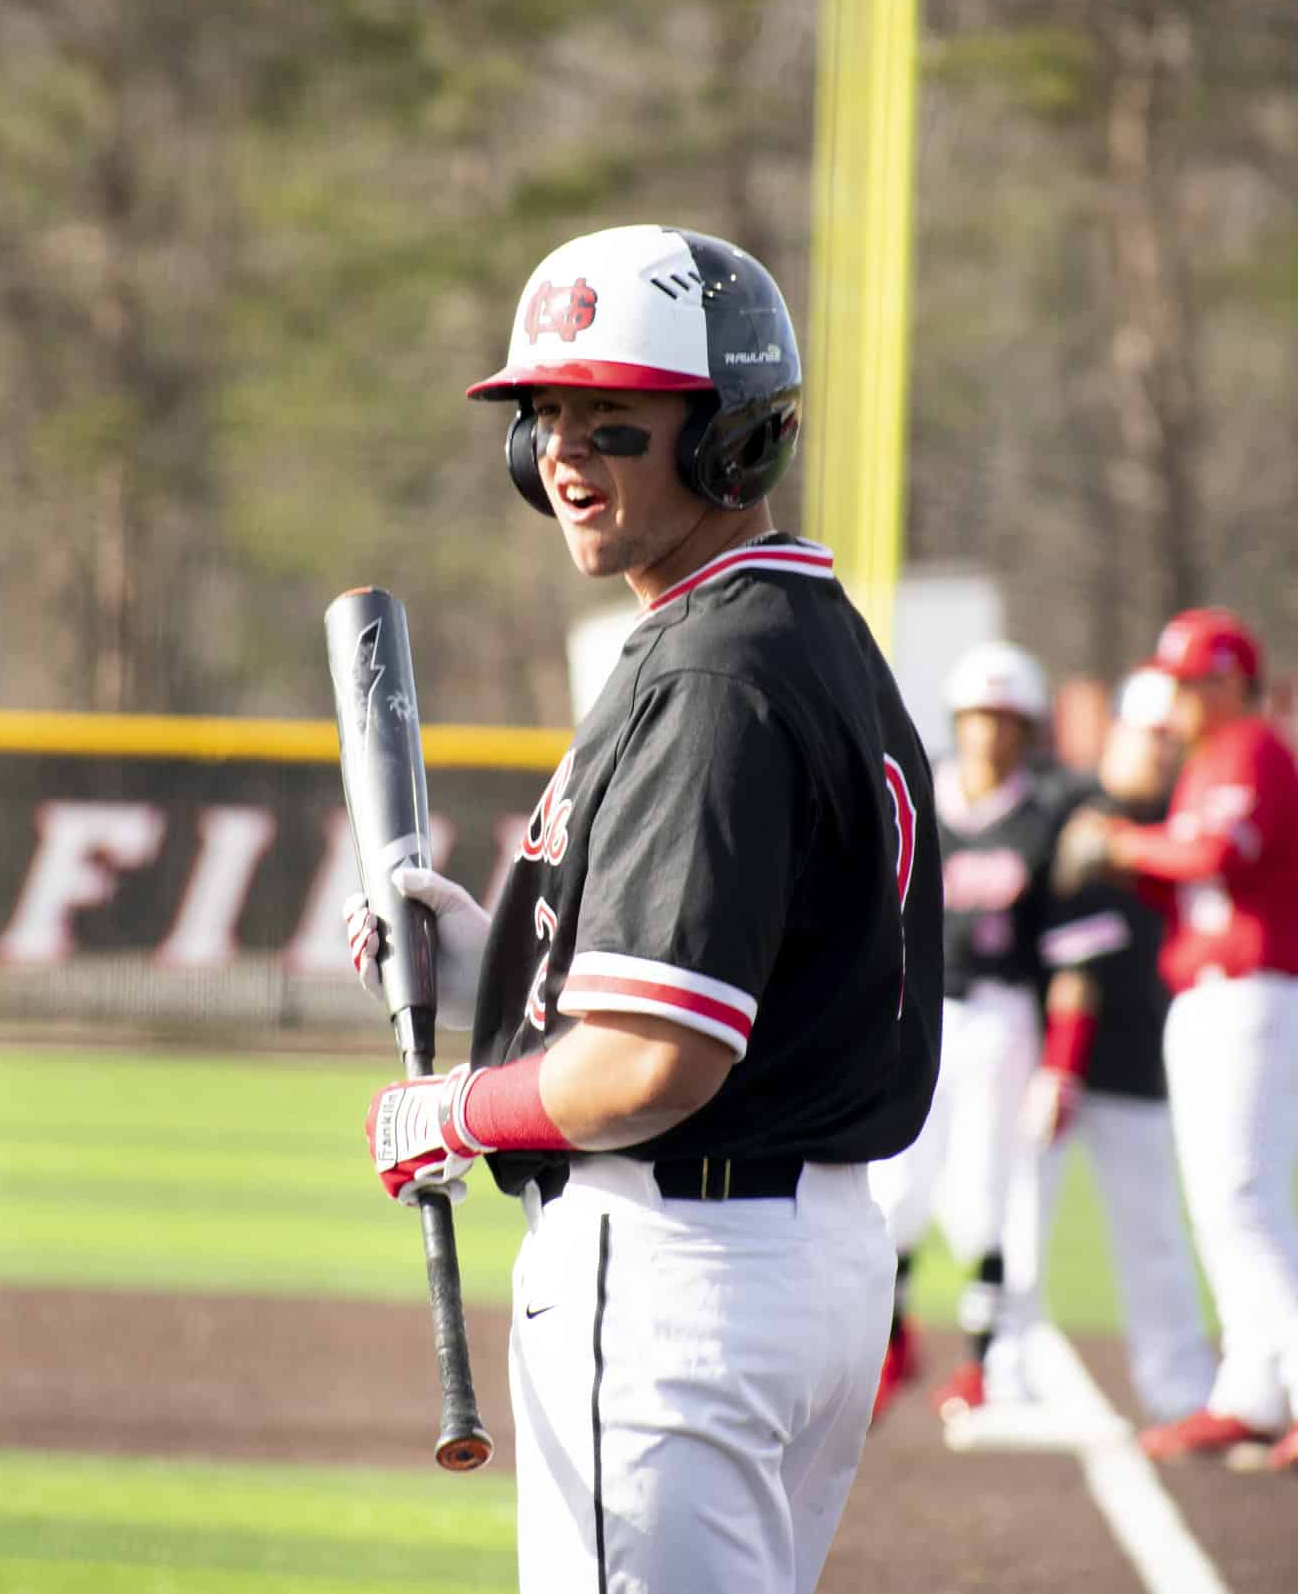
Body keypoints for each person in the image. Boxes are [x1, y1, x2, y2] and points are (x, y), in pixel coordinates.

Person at [345, 223, 943, 1594]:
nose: (562, 453)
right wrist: (500, 933)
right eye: (545, 416)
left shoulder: (709, 675)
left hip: (681, 1267)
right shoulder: (797, 633)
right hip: (789, 1266)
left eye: (613, 423)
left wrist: (455, 1108)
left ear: (732, 441)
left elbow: (658, 1059)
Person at [1072, 607, 1298, 1472]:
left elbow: (1216, 851)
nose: (1179, 693)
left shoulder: (1255, 749)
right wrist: (1131, 857)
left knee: (1243, 1199)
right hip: (1215, 992)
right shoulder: (1207, 761)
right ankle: (1250, 1393)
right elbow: (1189, 887)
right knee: (1222, 1205)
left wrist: (1124, 841)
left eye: (1193, 678)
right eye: (1173, 679)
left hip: (1259, 995)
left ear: (1236, 681)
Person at [864, 641, 1073, 1428]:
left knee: (986, 1193)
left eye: (1007, 719)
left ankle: (982, 1360)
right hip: (919, 1009)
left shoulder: (1044, 820)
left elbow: (1073, 959)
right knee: (895, 1190)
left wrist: (1063, 1063)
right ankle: (890, 1343)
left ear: (1028, 729)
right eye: (980, 717)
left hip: (1001, 1014)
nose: (990, 734)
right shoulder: (914, 799)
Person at [1006, 667, 1216, 1427]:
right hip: (1046, 1053)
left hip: (1137, 1055)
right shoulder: (1064, 803)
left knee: (1154, 1232)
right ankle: (1005, 1365)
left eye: (1172, 739)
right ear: (1120, 730)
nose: (1161, 751)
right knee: (1018, 1219)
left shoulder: (1183, 819)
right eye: (1150, 734)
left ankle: (1178, 1384)